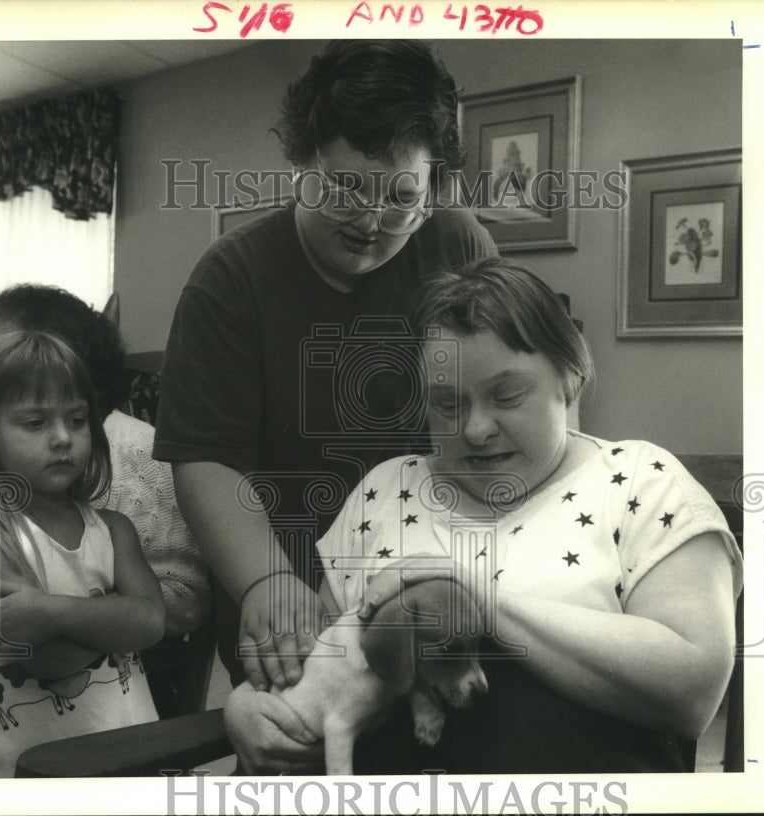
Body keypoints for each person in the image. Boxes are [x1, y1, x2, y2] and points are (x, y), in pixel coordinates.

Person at [227, 257, 743, 773]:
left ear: (570, 377)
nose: (476, 429)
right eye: (447, 405)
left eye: (507, 395)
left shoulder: (640, 480)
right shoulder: (386, 488)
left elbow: (693, 692)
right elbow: (314, 659)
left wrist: (476, 595)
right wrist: (245, 708)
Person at [153, 39, 498, 707]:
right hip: (292, 595)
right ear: (300, 162)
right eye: (343, 187)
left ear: (433, 190)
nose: (371, 222)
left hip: (437, 584)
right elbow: (206, 460)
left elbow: (514, 395)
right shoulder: (228, 280)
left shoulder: (458, 244)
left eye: (401, 197)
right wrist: (264, 582)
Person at [0, 331, 164, 778]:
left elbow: (152, 622)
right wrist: (117, 619)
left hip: (117, 749)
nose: (62, 438)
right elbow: (50, 663)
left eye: (76, 420)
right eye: (35, 423)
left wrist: (51, 612)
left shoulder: (115, 529)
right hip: (10, 770)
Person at [0, 285, 212, 638]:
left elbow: (184, 603)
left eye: (3, 347)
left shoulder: (135, 450)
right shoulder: (12, 464)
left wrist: (58, 614)